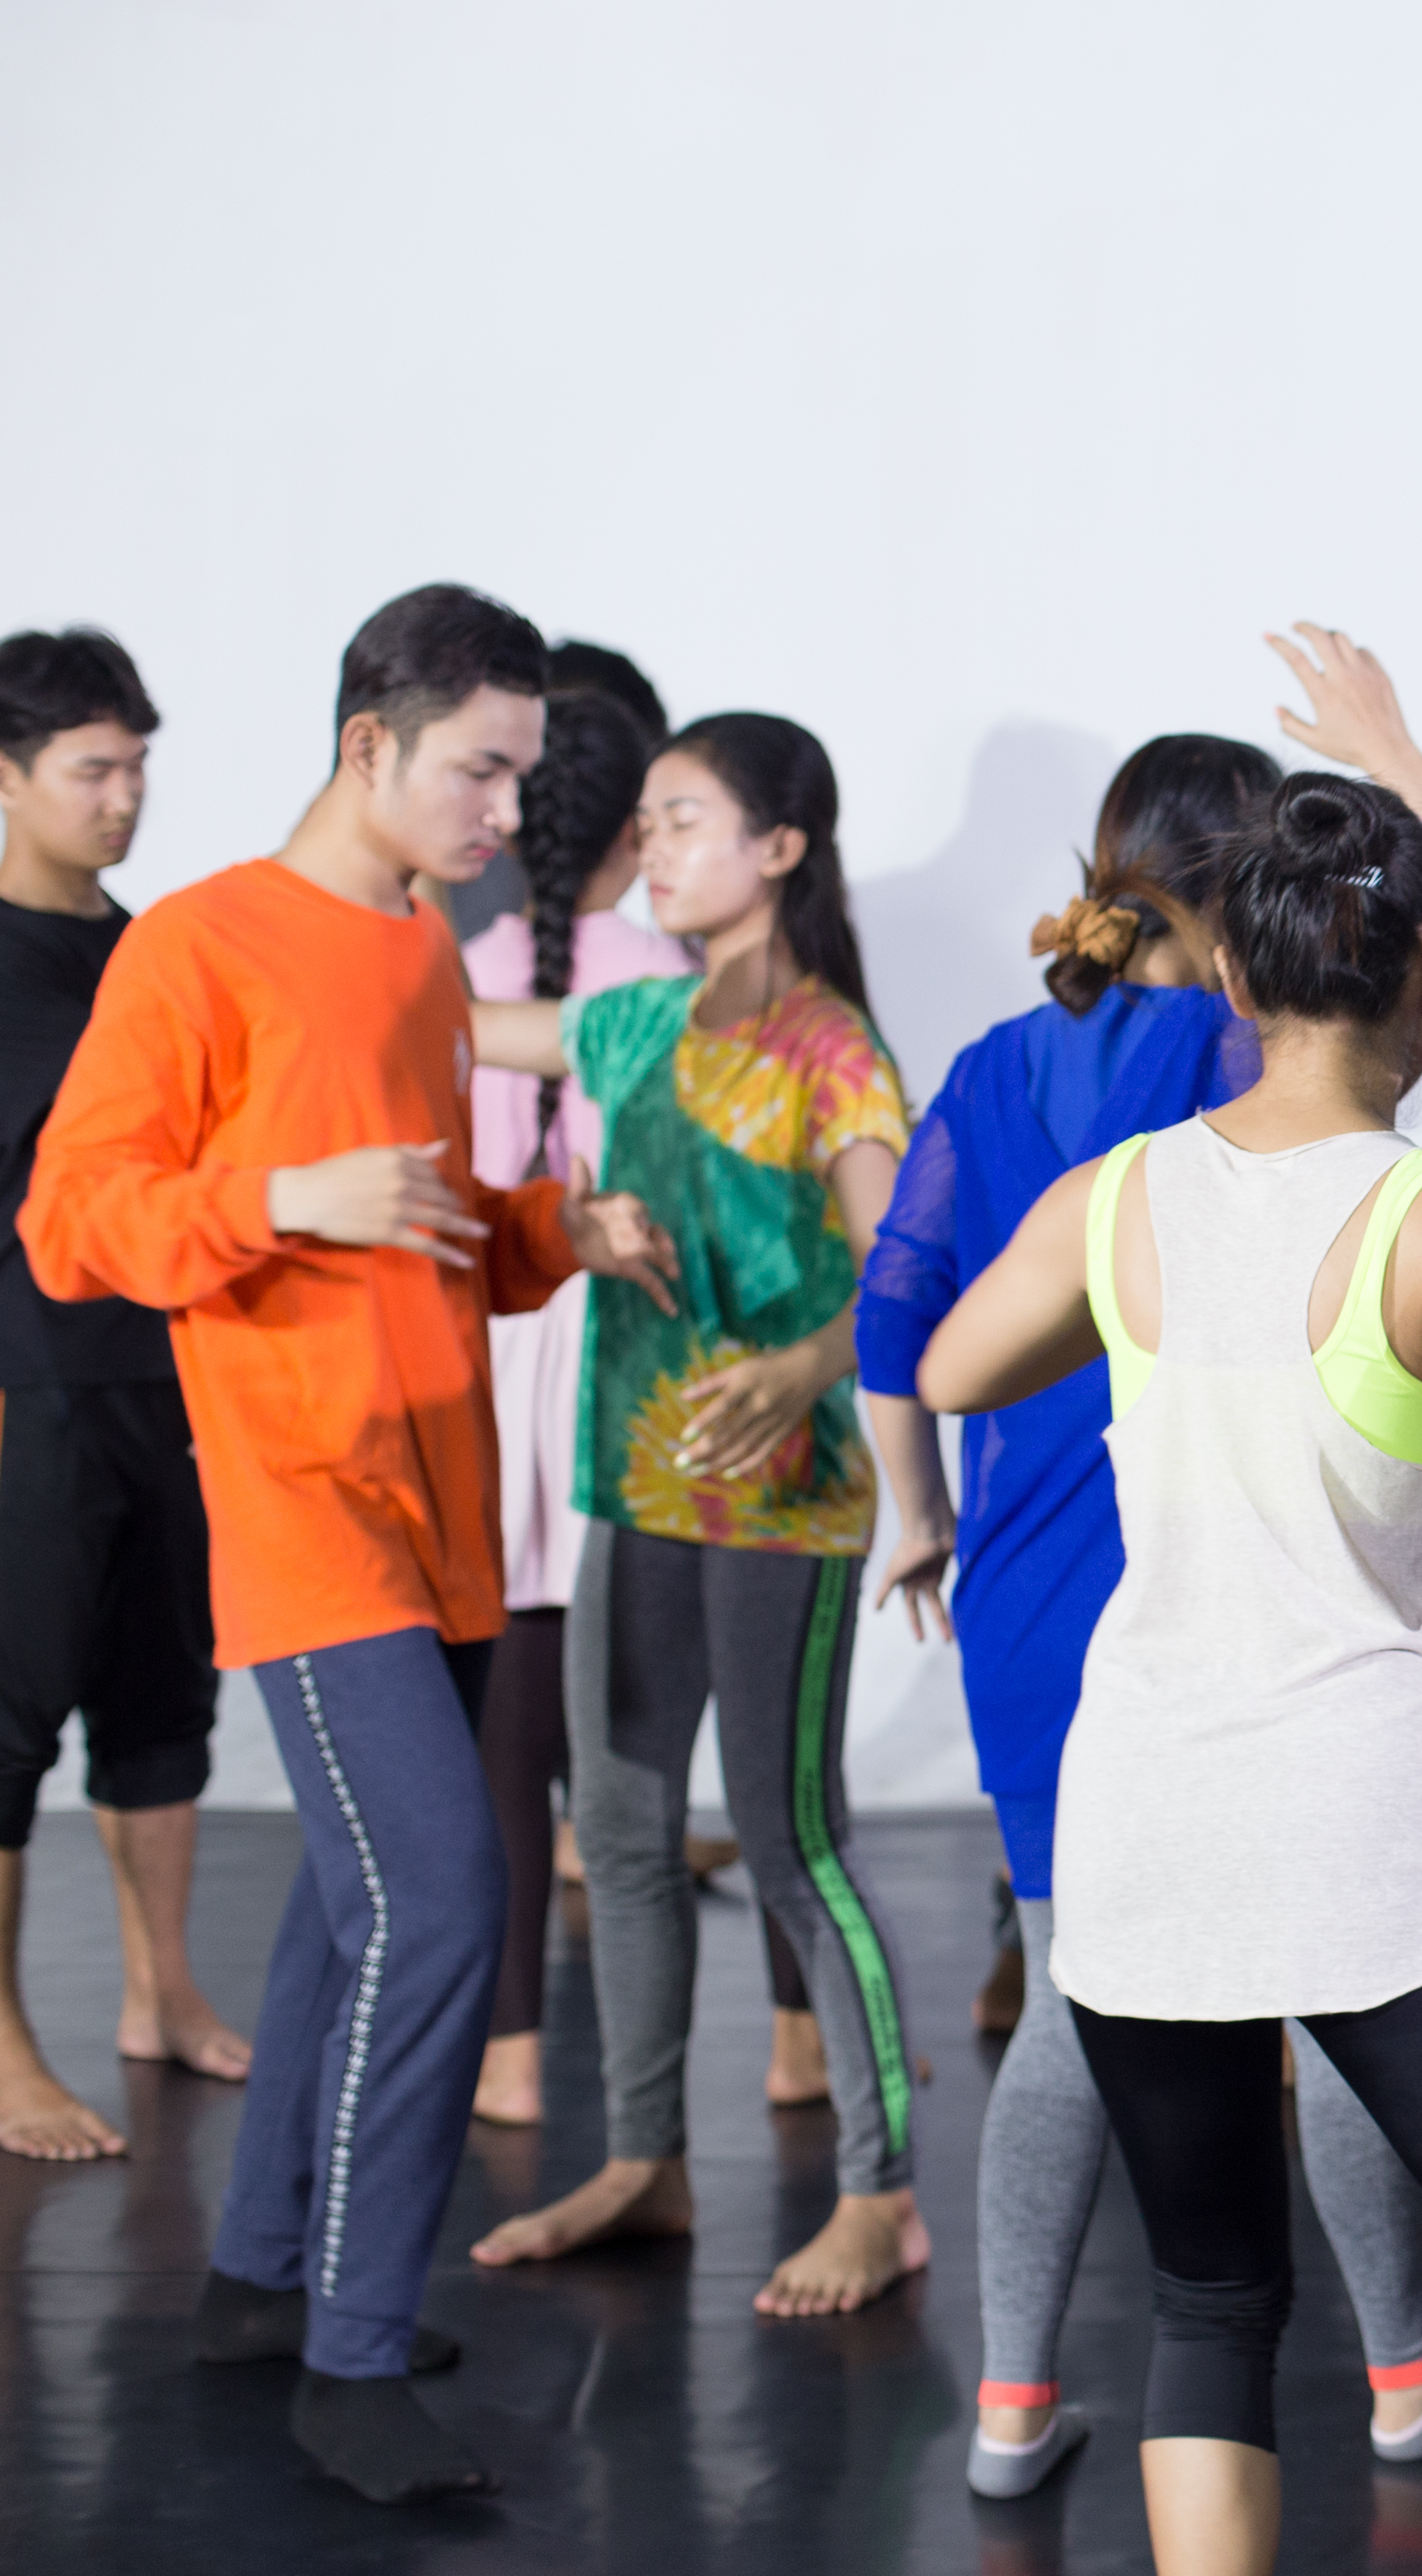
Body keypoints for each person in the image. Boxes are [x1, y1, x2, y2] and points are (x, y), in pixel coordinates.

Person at [916, 771, 1422, 2576]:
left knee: (1210, 2300)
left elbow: (957, 1365)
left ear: (1237, 983)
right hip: (1365, 1850)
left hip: (1138, 1829)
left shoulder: (1118, 1197)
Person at [852, 629, 1422, 2497]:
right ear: (1258, 916)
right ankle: (1406, 2367)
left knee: (1096, 2008)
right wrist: (1399, 740)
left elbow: (903, 1318)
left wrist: (912, 1507)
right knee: (1335, 2010)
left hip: (1027, 1595)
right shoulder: (1247, 1046)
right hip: (1228, 1581)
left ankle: (1007, 2402)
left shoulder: (1008, 1063)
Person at [21, 583, 676, 2501]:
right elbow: (78, 1225)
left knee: (346, 1898)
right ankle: (351, 2354)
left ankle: (254, 2279)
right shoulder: (206, 940)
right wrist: (286, 1190)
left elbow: (438, 1211)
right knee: (444, 1901)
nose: (510, 813)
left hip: (442, 1500)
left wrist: (565, 1230)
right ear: (368, 742)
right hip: (306, 1509)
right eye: (483, 769)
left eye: (525, 774)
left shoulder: (408, 949)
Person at [459, 710, 927, 2318]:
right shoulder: (629, 1021)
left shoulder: (836, 1052)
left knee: (793, 1841)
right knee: (630, 1832)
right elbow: (454, 1024)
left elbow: (914, 1285)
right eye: (645, 825)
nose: (648, 848)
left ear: (780, 848)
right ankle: (645, 2156)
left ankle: (883, 2194)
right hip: (634, 1489)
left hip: (789, 1509)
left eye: (683, 821)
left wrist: (808, 1362)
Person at [0, 627, 250, 2164]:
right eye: (95, 767)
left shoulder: (151, 950)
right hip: (24, 1388)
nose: (126, 796)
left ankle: (160, 1989)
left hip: (168, 1374)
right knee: (10, 1719)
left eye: (140, 764)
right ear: (10, 775)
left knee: (164, 1702)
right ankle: (6, 2044)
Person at [459, 684, 688, 2128]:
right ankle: (791, 2043)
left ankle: (508, 2055)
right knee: (646, 1734)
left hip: (497, 1350)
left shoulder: (465, 960)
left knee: (504, 1729)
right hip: (622, 1358)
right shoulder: (668, 972)